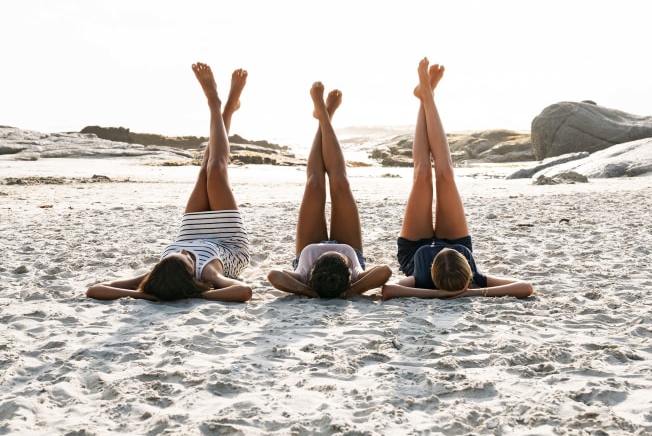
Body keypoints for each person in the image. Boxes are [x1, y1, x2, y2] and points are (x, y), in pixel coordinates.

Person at [86, 63, 253, 303]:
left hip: (190, 232)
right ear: (191, 275)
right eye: (186, 258)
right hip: (227, 240)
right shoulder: (208, 273)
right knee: (216, 169)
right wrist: (198, 294)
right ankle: (217, 106)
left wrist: (142, 293)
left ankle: (226, 110)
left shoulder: (160, 274)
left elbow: (95, 289)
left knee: (206, 168)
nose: (182, 252)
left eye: (173, 255)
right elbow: (244, 291)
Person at [381, 58, 534, 300]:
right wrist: (470, 293)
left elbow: (389, 290)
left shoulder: (420, 279)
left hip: (414, 251)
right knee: (446, 174)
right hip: (456, 247)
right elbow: (525, 286)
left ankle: (426, 95)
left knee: (422, 173)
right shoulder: (474, 277)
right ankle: (427, 95)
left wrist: (437, 294)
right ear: (469, 275)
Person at [267, 82, 392, 298]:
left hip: (309, 248)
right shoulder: (354, 275)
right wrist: (353, 289)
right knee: (340, 183)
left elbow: (273, 275)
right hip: (349, 246)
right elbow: (385, 272)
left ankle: (324, 115)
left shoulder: (306, 275)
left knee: (314, 183)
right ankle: (325, 115)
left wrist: (306, 290)